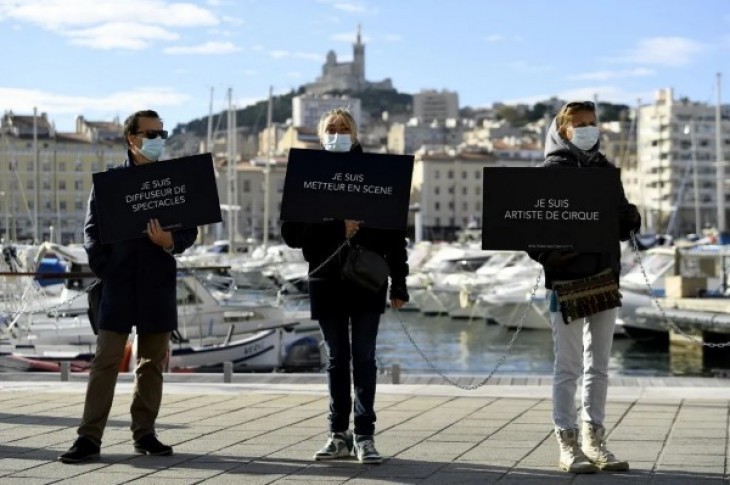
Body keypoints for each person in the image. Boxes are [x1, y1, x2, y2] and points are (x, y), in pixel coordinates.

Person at [59, 110, 198, 464]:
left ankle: (145, 434)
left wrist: (170, 240)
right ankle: (88, 438)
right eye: (150, 133)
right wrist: (105, 267)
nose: (158, 138)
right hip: (118, 284)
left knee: (152, 363)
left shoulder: (173, 181)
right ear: (131, 138)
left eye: (161, 132)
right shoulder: (110, 183)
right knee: (105, 361)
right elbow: (91, 232)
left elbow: (189, 231)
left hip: (157, 283)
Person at [281, 108, 409, 464]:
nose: (337, 133)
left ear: (355, 134)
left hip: (367, 279)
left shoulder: (377, 174)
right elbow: (292, 234)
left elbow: (395, 237)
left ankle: (364, 435)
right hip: (325, 278)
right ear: (322, 135)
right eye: (331, 129)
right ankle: (338, 433)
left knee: (364, 358)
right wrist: (337, 228)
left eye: (344, 128)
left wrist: (400, 283)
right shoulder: (306, 177)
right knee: (337, 358)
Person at [530, 101, 640, 474]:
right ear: (563, 130)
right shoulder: (549, 171)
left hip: (605, 276)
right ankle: (567, 441)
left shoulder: (607, 171)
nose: (588, 129)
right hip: (567, 281)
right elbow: (529, 227)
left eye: (592, 123)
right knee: (569, 365)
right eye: (580, 124)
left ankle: (595, 440)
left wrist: (629, 219)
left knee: (600, 365)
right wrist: (548, 256)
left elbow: (618, 224)